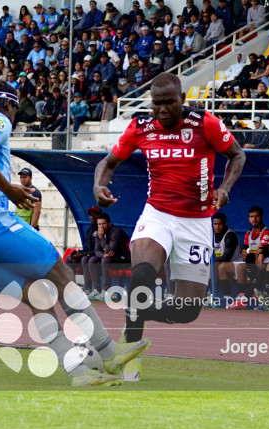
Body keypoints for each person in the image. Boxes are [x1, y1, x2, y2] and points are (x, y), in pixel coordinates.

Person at [0, 80, 150, 386]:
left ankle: (78, 372)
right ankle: (109, 353)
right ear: (8, 104)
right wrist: (7, 188)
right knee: (62, 276)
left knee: (38, 297)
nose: (14, 117)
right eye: (16, 110)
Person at [94, 73, 246, 347]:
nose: (162, 109)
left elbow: (237, 154)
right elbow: (108, 162)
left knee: (186, 311)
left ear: (182, 99)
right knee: (142, 275)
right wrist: (98, 186)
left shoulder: (205, 123)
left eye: (169, 102)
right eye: (157, 103)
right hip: (158, 214)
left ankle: (137, 310)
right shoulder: (141, 127)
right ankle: (128, 351)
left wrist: (225, 188)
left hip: (197, 221)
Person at [87, 213, 131, 299]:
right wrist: (103, 255)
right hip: (110, 257)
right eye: (99, 224)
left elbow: (110, 250)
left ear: (109, 224)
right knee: (92, 260)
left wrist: (101, 237)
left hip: (123, 258)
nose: (101, 226)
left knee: (105, 260)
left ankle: (106, 291)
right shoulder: (99, 232)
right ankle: (96, 289)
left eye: (103, 224)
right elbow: (97, 250)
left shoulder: (116, 232)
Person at [212, 212, 242, 299]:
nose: (217, 227)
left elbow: (226, 257)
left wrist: (211, 260)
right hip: (223, 264)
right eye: (215, 224)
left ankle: (226, 295)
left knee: (216, 265)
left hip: (236, 264)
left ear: (224, 224)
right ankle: (213, 294)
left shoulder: (230, 236)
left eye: (220, 224)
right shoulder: (212, 235)